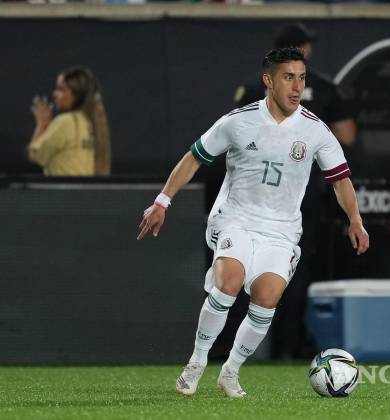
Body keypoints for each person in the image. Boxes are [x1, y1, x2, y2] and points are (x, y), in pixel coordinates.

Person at [137, 47, 369, 397]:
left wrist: (355, 219)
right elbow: (193, 157)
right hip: (236, 219)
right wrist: (161, 201)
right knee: (229, 282)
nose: (297, 87)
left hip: (281, 230)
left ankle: (230, 372)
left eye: (302, 78)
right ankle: (196, 363)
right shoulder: (238, 121)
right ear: (268, 81)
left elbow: (340, 180)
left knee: (267, 297)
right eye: (288, 77)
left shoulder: (315, 130)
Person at [233, 22, 358, 359]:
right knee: (294, 265)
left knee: (244, 264)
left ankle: (243, 347)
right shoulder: (323, 89)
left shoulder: (256, 88)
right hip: (300, 196)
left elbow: (235, 137)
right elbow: (347, 135)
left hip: (255, 194)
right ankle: (288, 343)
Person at [28, 66, 111, 176]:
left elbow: (36, 155)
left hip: (64, 187)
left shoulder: (66, 122)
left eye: (61, 89)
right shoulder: (92, 123)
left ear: (76, 94)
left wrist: (41, 125)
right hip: (86, 187)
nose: (54, 94)